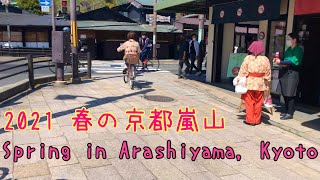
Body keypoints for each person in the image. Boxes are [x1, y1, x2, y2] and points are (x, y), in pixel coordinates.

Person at [238, 41, 271, 126]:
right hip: (261, 83)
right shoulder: (265, 59)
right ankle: (257, 120)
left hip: (250, 83)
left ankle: (250, 120)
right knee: (259, 102)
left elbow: (243, 71)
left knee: (249, 102)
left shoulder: (248, 58)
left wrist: (239, 79)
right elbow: (268, 73)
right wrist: (267, 83)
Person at [274, 32, 303, 120]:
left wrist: (281, 62)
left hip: (293, 73)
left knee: (290, 93)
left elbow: (293, 62)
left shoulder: (298, 50)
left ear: (294, 40)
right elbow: (286, 61)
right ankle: (287, 111)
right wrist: (280, 62)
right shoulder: (288, 49)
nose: (287, 41)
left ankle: (290, 113)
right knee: (284, 92)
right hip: (285, 72)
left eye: (289, 39)